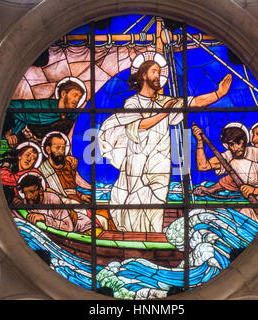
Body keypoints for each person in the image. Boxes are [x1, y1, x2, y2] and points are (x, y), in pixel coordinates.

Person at [98, 56, 232, 233]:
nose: (158, 76)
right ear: (143, 75)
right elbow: (141, 125)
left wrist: (218, 94)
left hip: (160, 163)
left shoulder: (165, 101)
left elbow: (195, 102)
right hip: (136, 163)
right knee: (131, 203)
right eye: (154, 71)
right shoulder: (132, 103)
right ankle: (130, 238)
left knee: (155, 206)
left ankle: (150, 239)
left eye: (160, 72)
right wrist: (165, 112)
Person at [192, 123, 258, 223]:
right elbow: (203, 166)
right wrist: (199, 141)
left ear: (245, 140)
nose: (235, 147)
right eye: (231, 144)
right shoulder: (228, 157)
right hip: (250, 203)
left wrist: (257, 190)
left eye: (238, 142)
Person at [38, 132, 115, 231]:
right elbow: (51, 195)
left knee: (107, 214)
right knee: (101, 220)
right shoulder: (43, 171)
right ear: (48, 149)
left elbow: (71, 189)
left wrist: (81, 195)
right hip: (65, 210)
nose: (61, 152)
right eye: (57, 148)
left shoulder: (69, 165)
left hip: (78, 203)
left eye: (63, 148)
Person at [3, 79, 86, 148]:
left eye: (79, 97)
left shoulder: (72, 114)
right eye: (75, 95)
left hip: (45, 149)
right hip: (24, 140)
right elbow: (10, 107)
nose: (77, 100)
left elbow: (85, 118)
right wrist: (8, 134)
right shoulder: (42, 106)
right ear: (63, 94)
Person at [17, 174, 94, 234]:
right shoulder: (25, 203)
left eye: (32, 192)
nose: (28, 197)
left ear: (40, 190)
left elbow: (68, 227)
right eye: (25, 193)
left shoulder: (53, 199)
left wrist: (44, 218)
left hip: (84, 227)